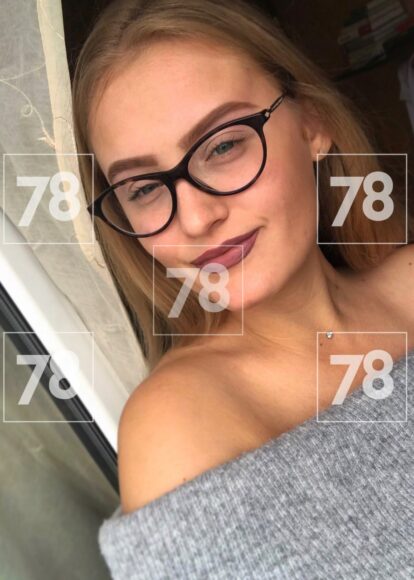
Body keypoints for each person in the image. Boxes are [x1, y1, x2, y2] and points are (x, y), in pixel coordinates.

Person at [72, 0, 414, 577]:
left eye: (223, 145)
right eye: (144, 188)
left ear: (312, 125)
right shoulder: (177, 425)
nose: (196, 217)